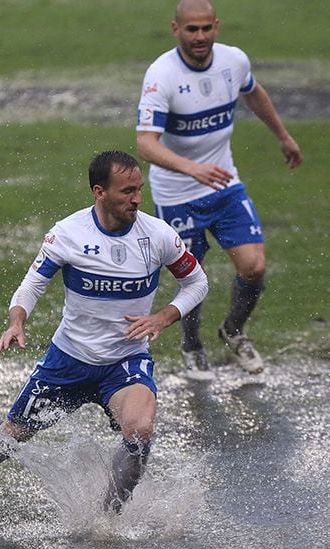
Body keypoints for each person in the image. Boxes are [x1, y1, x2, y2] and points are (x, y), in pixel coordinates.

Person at [0, 150, 208, 513]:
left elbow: (196, 282)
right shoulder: (67, 234)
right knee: (1, 444)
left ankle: (105, 519)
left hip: (125, 363)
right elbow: (31, 285)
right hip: (67, 363)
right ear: (99, 191)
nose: (138, 199)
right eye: (127, 191)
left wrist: (164, 316)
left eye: (140, 189)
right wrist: (17, 321)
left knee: (140, 433)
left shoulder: (158, 236)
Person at [136, 0, 303, 380]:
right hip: (178, 193)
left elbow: (254, 93)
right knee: (191, 276)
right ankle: (191, 343)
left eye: (206, 28)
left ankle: (232, 330)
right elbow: (146, 143)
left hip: (224, 183)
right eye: (191, 30)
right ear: (175, 29)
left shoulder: (234, 61)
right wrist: (192, 169)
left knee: (254, 266)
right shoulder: (161, 75)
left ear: (216, 26)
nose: (200, 37)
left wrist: (283, 136)